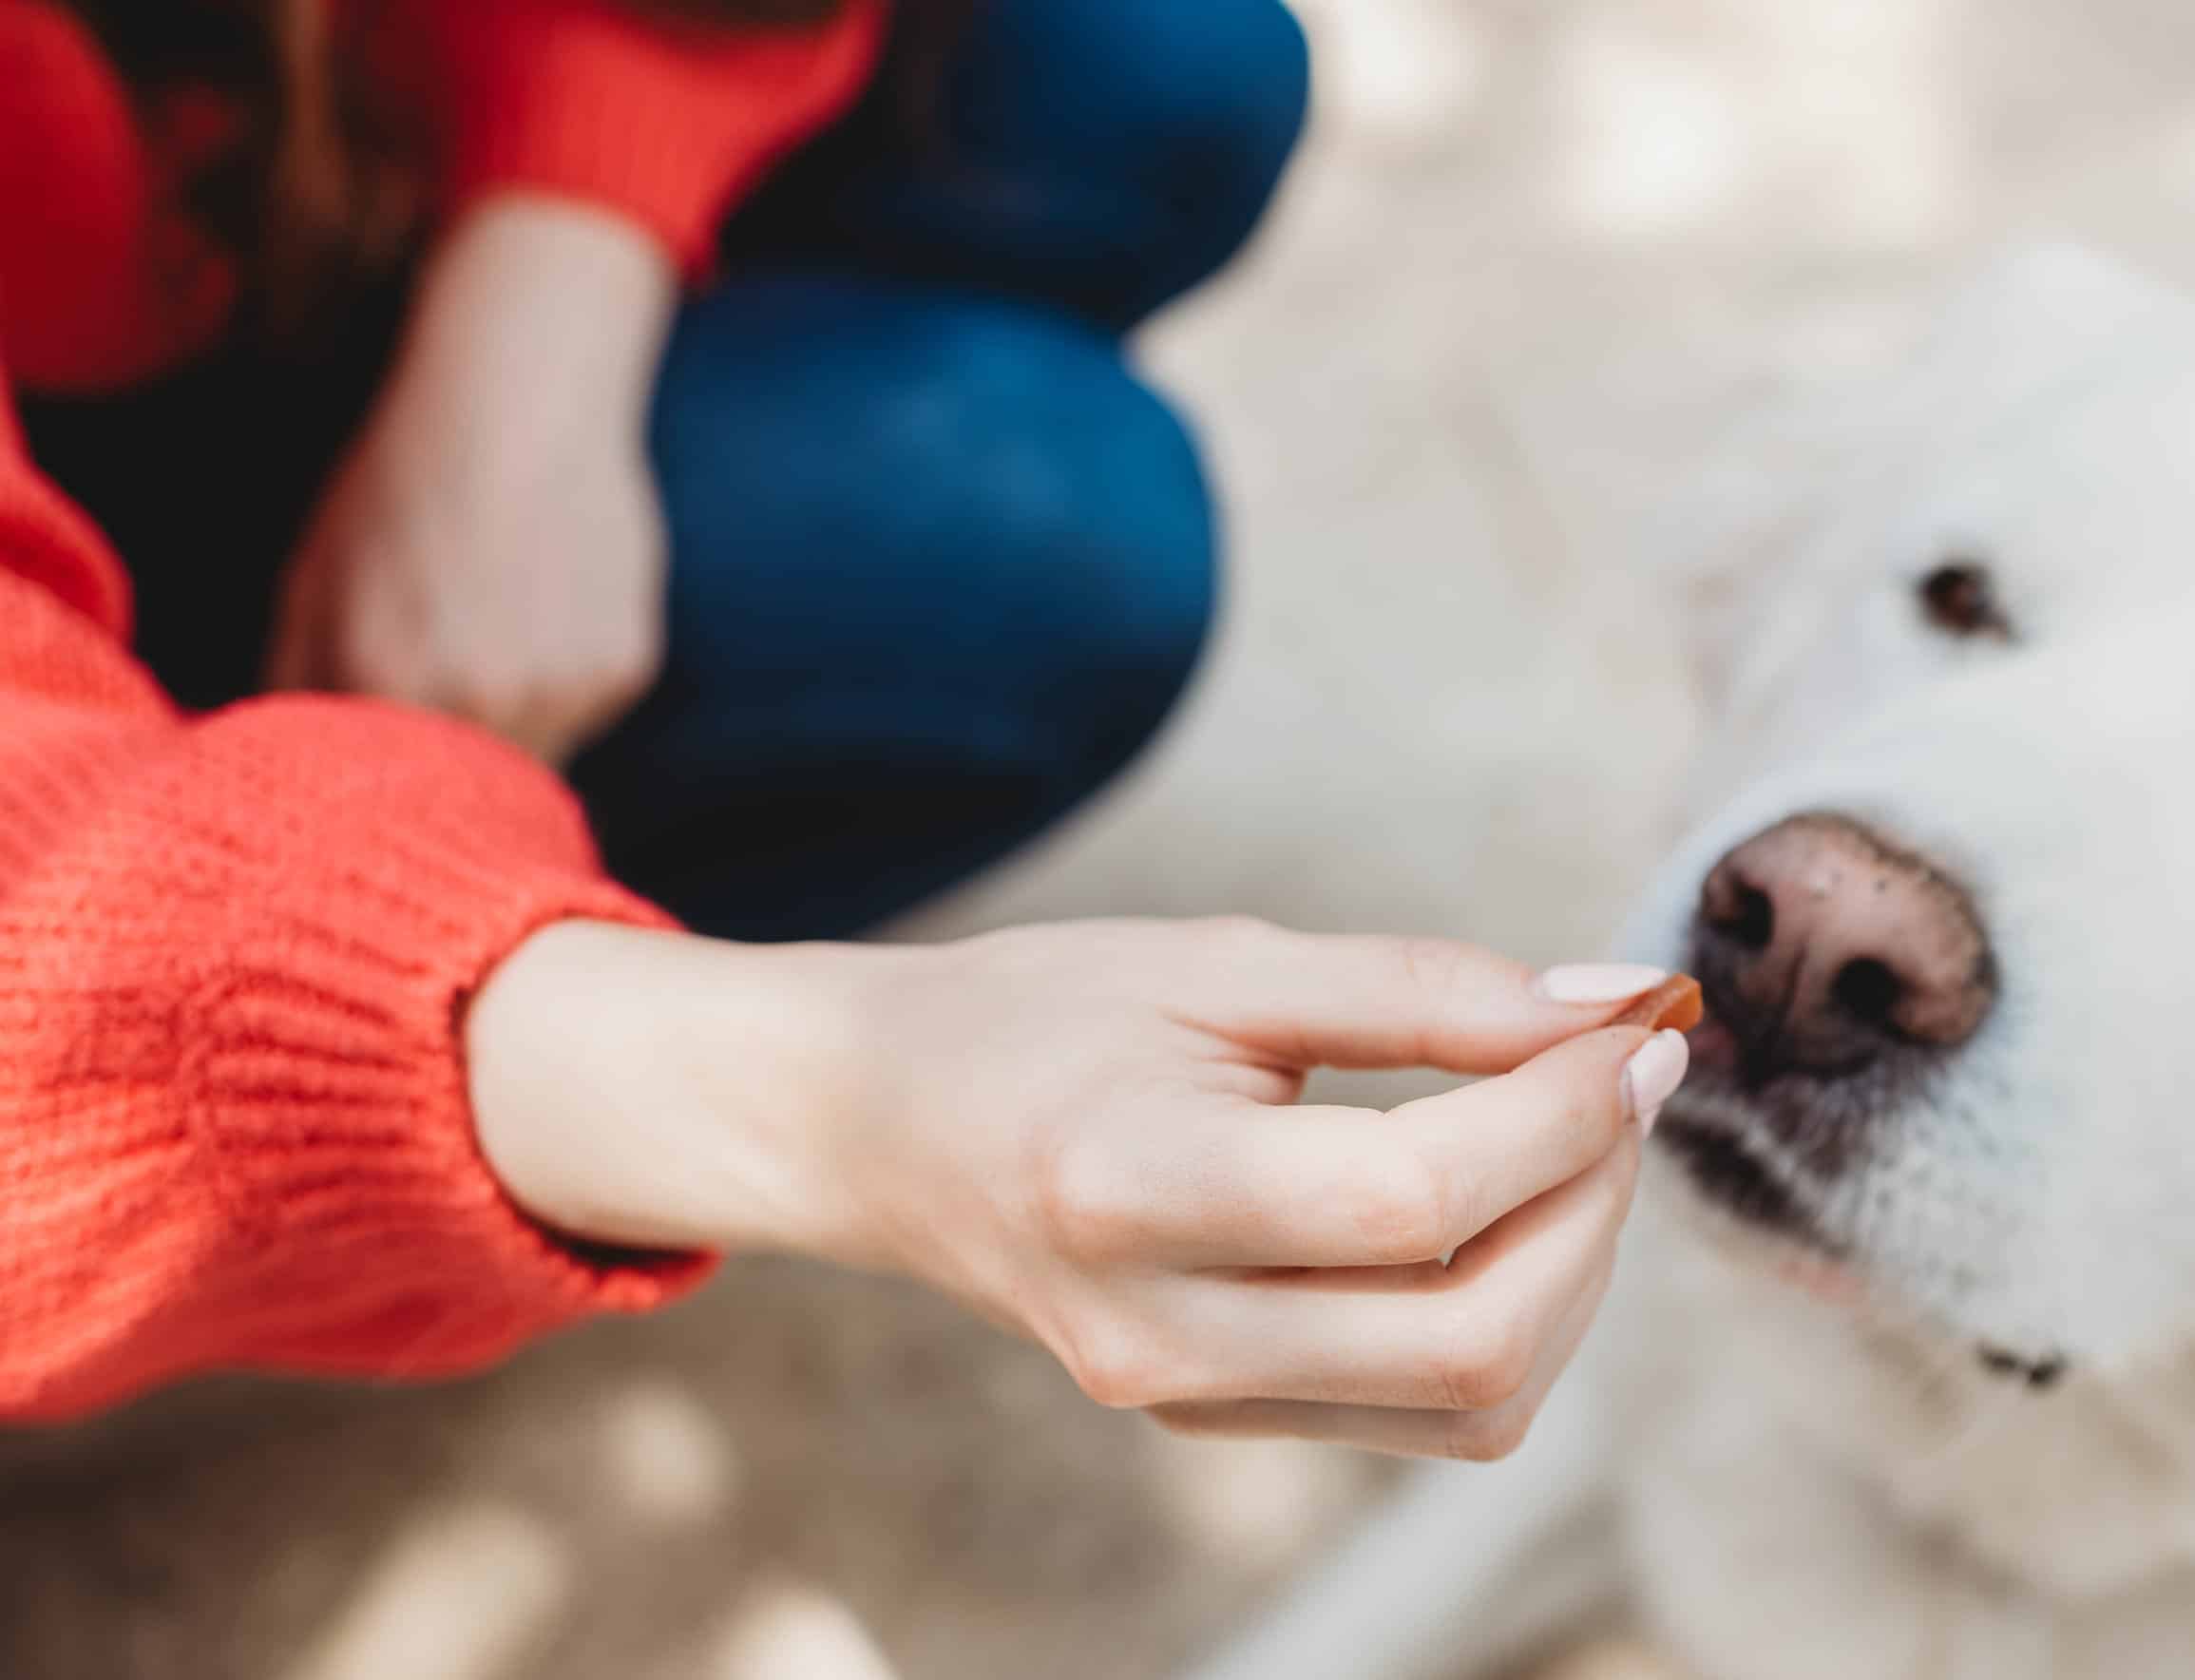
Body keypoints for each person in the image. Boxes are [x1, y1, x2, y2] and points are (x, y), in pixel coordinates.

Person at [0, 0, 1688, 1447]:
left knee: (1168, 67)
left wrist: (557, 264)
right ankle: (347, 1187)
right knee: (1053, 543)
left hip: (232, 147)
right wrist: (802, 1099)